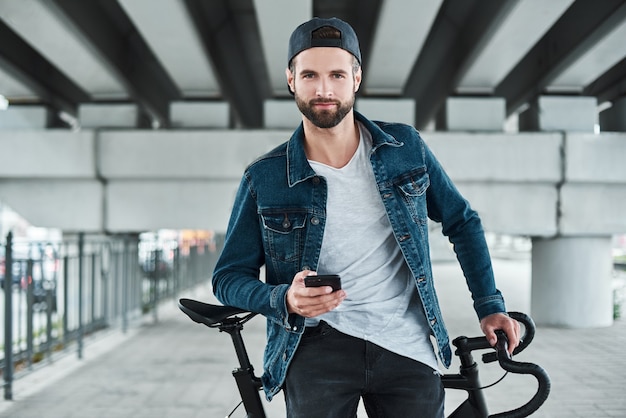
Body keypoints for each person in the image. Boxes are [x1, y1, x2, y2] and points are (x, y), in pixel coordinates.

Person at [212, 16, 520, 417]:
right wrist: (284, 298)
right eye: (310, 75)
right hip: (313, 349)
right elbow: (227, 278)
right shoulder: (265, 177)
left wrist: (489, 304)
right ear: (291, 79)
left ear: (356, 78)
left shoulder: (404, 147)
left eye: (337, 74)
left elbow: (462, 222)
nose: (324, 89)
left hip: (407, 345)